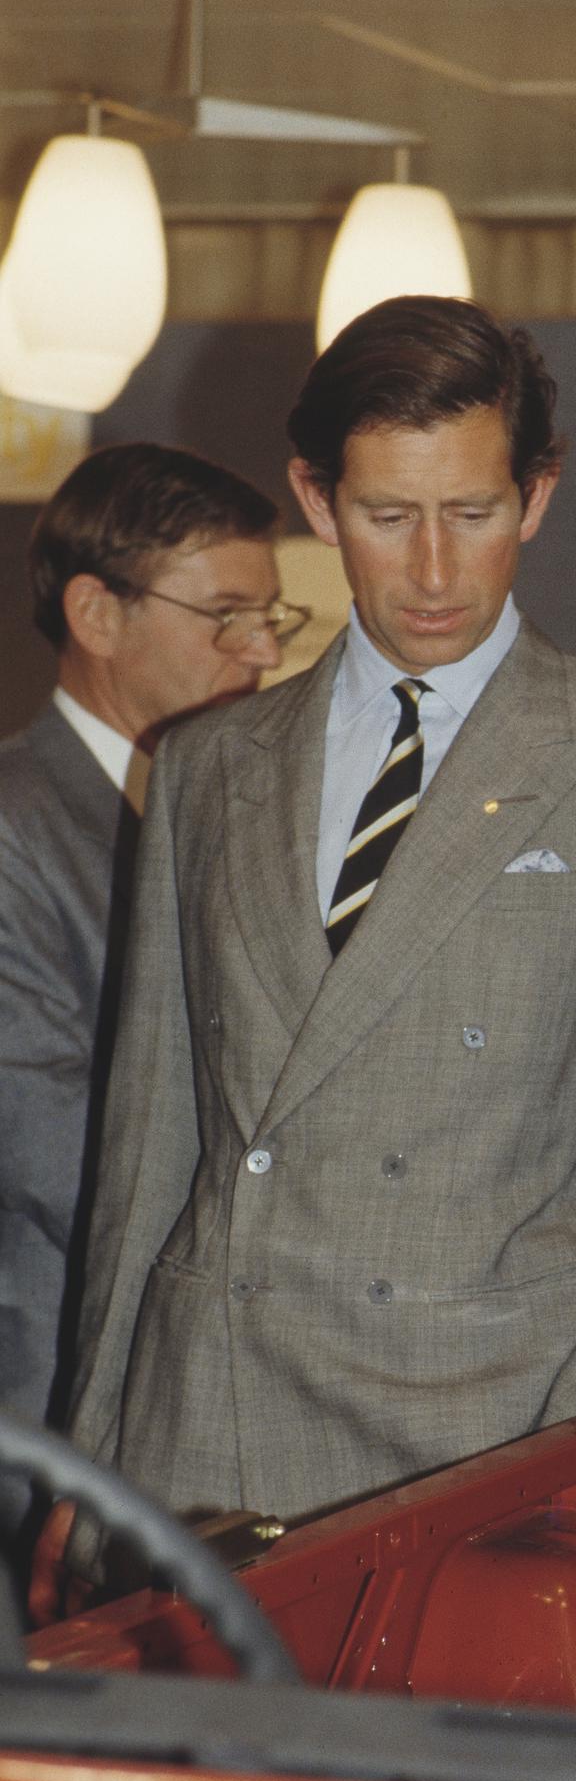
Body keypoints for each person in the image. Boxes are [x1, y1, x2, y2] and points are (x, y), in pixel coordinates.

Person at [68, 297, 576, 1527]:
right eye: (387, 518)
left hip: (483, 1441)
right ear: (318, 503)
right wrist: (97, 1448)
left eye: (472, 515)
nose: (434, 571)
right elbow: (150, 1135)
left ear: (536, 497)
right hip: (204, 1432)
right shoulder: (209, 765)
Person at [0, 442, 290, 1452]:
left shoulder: (251, 819)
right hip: (50, 1405)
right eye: (226, 618)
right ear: (96, 615)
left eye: (270, 618)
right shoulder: (13, 827)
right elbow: (54, 1154)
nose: (261, 652)